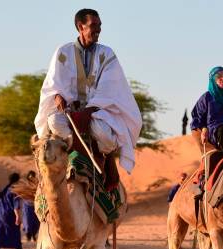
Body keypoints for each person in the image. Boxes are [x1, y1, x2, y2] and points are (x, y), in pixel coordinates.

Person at [34, 8, 142, 175]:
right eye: (94, 25)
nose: (98, 29)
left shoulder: (106, 54)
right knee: (54, 121)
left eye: (100, 25)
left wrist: (88, 111)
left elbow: (110, 88)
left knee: (104, 134)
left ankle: (105, 163)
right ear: (80, 27)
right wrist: (57, 96)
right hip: (68, 112)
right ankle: (75, 152)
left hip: (96, 113)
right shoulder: (63, 52)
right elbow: (52, 84)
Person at [0, 173, 30, 249]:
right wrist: (18, 216)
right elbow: (16, 205)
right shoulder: (14, 190)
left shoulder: (2, 190)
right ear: (17, 181)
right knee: (15, 233)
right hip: (9, 215)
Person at [21, 171, 40, 242]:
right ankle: (28, 236)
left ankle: (34, 236)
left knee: (36, 222)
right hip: (27, 206)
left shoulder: (37, 184)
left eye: (33, 176)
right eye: (30, 176)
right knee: (27, 222)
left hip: (35, 205)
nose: (31, 177)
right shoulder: (26, 184)